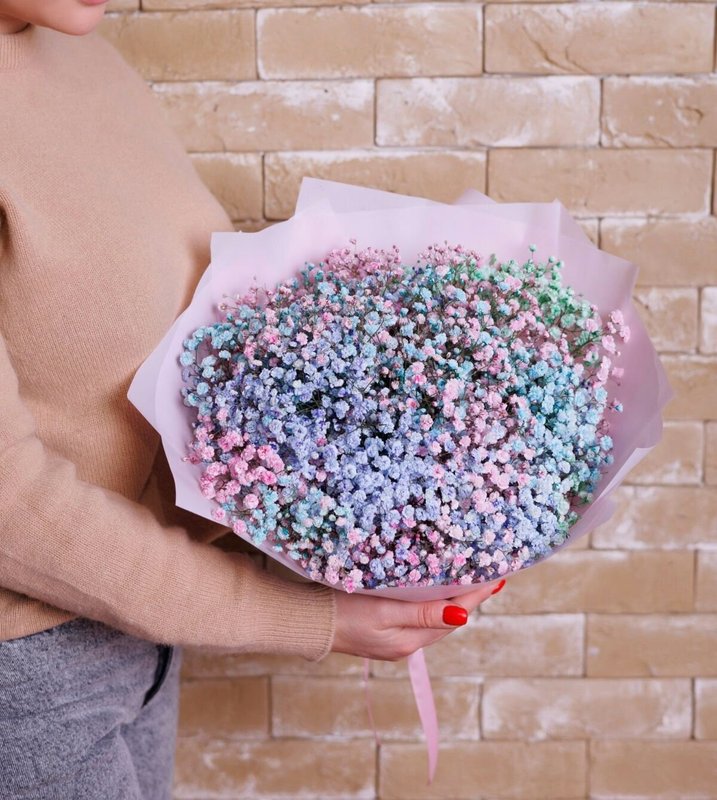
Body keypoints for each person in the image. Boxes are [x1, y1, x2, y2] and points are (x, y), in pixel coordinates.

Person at [0, 1, 505, 797]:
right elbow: (11, 510)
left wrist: (404, 500)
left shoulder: (75, 50)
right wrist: (303, 616)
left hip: (138, 631)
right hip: (26, 676)